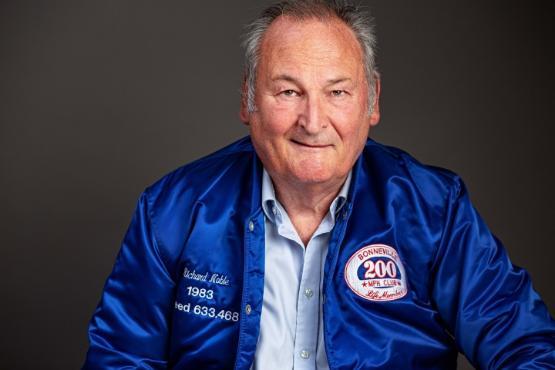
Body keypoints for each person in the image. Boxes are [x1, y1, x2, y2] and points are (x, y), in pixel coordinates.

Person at [83, 1, 555, 369]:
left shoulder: (434, 210)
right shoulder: (171, 210)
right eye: (288, 91)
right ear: (248, 101)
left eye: (337, 92)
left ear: (371, 102)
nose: (312, 121)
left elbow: (526, 347)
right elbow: (121, 359)